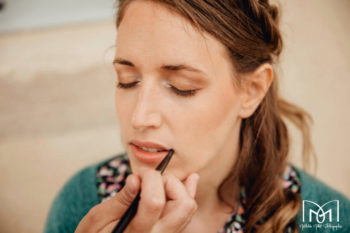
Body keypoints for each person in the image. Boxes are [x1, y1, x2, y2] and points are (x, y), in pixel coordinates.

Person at [44, 0, 350, 232]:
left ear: (252, 91)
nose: (139, 117)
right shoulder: (82, 204)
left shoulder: (324, 216)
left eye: (181, 87)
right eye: (127, 79)